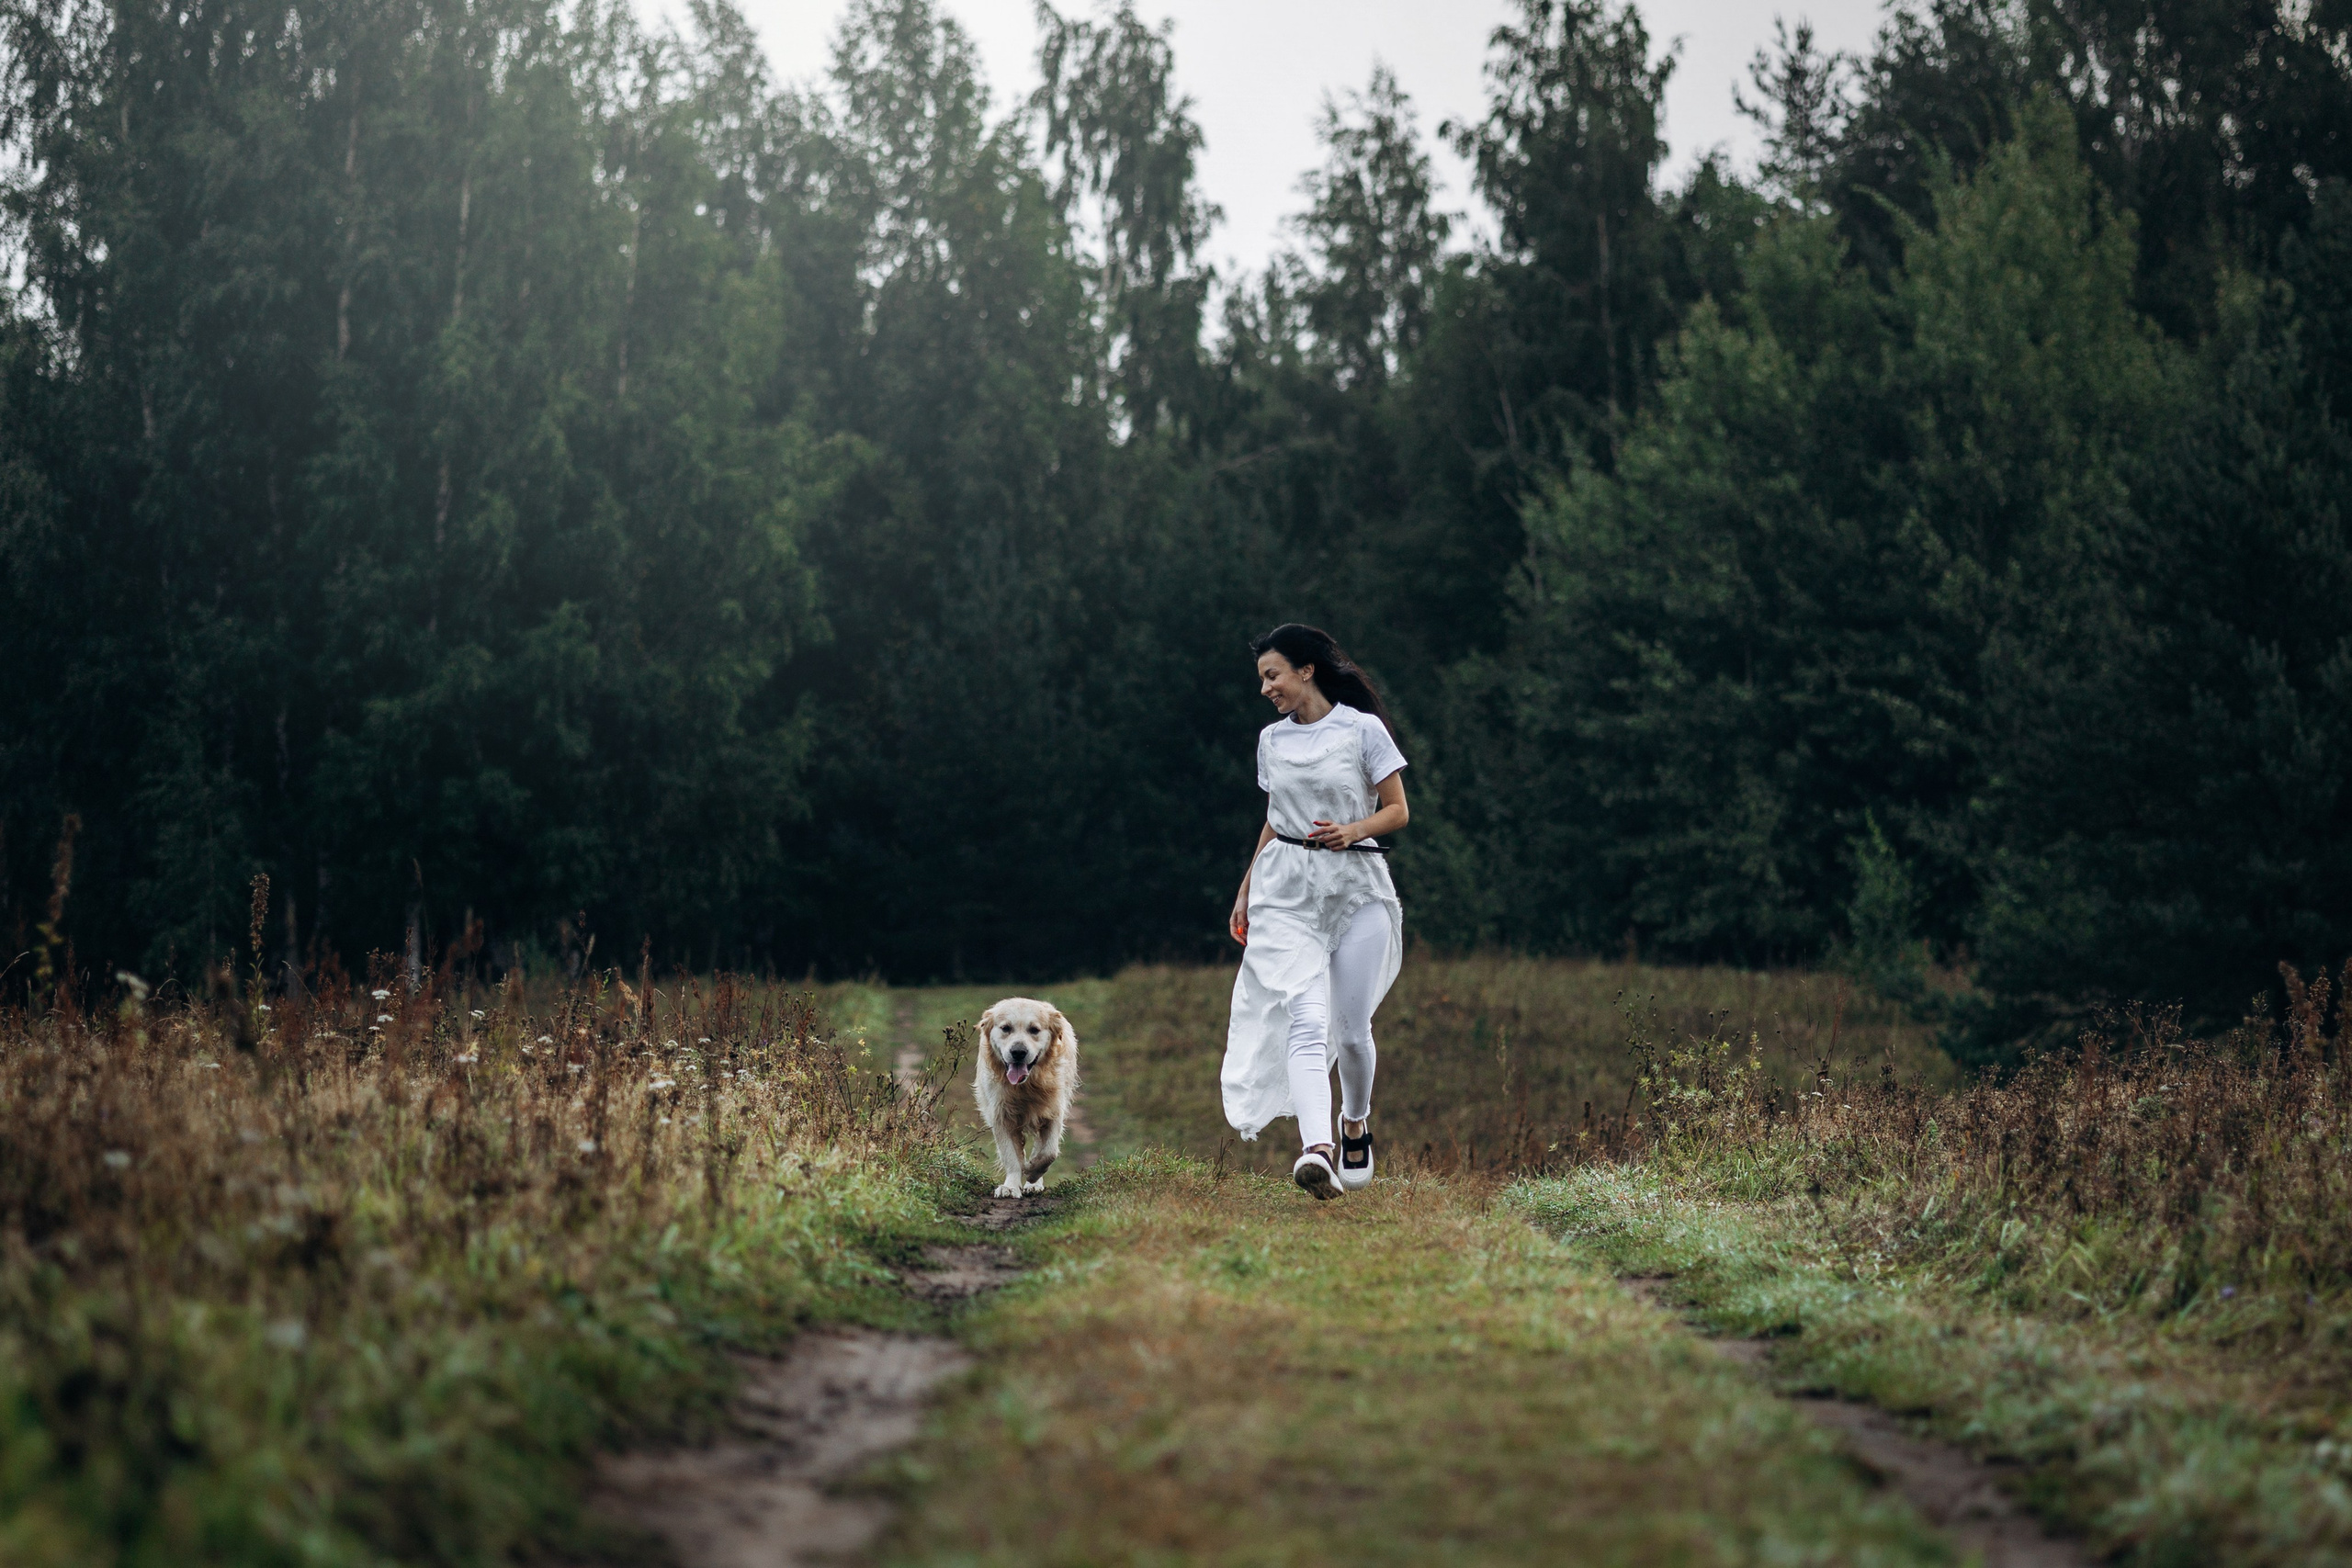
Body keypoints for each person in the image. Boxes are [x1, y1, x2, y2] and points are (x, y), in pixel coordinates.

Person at [1223, 624, 1408, 1200]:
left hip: (1355, 886)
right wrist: (1246, 885)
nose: (1265, 689)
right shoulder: (1272, 741)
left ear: (1306, 670)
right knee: (1304, 1020)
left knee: (1351, 1033)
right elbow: (1277, 818)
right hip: (1286, 889)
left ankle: (1355, 1125)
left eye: (1272, 675)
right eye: (1261, 679)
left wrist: (1353, 830)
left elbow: (1398, 810)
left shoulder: (1361, 730)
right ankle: (1317, 1149)